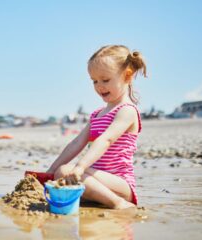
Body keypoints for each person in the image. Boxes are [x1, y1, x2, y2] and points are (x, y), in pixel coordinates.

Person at [47, 45, 147, 209]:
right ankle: (94, 198)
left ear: (127, 76)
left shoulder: (127, 111)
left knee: (65, 172)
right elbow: (76, 143)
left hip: (119, 183)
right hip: (94, 179)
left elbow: (106, 140)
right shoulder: (96, 114)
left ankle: (119, 203)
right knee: (60, 174)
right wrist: (51, 170)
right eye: (94, 81)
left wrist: (80, 167)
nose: (99, 86)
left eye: (105, 80)